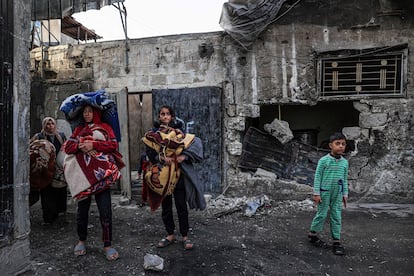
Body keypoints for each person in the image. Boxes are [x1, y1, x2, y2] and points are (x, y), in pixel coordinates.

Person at [63, 105, 124, 261]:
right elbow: (68, 147)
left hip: (101, 177)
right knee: (82, 211)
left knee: (105, 211)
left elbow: (112, 145)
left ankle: (107, 244)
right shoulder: (78, 129)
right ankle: (81, 240)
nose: (87, 114)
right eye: (84, 112)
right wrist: (81, 146)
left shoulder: (105, 127)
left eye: (90, 111)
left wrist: (94, 145)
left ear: (96, 112)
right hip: (83, 178)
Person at [142, 105, 205, 250]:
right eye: (162, 114)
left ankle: (185, 236)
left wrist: (184, 156)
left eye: (168, 114)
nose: (165, 116)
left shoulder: (179, 133)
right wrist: (161, 158)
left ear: (171, 117)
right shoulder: (153, 135)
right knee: (166, 207)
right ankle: (170, 234)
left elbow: (193, 144)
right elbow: (150, 154)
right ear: (159, 117)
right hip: (162, 176)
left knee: (181, 206)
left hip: (178, 176)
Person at [307, 132, 349, 255]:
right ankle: (313, 235)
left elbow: (345, 179)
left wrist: (345, 194)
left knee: (336, 216)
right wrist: (316, 193)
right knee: (322, 214)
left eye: (343, 144)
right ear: (331, 145)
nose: (341, 146)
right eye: (338, 144)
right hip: (324, 192)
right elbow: (317, 177)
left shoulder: (345, 163)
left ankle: (336, 241)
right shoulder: (324, 161)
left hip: (338, 193)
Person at [29, 117, 67, 225]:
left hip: (58, 169)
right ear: (44, 125)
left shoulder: (61, 136)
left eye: (52, 123)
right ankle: (48, 218)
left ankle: (60, 215)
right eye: (47, 124)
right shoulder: (39, 136)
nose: (50, 126)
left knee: (60, 192)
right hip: (45, 170)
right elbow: (32, 148)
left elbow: (66, 148)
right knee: (46, 192)